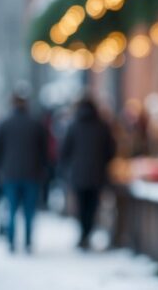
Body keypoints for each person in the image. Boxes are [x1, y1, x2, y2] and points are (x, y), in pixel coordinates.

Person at [0, 94, 48, 253]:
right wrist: (43, 168)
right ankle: (28, 241)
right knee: (29, 211)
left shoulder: (5, 124)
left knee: (11, 209)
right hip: (32, 174)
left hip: (10, 174)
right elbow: (44, 151)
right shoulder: (36, 124)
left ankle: (11, 241)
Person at [61, 98, 115, 250]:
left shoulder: (73, 125)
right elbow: (110, 150)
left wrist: (67, 168)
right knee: (92, 206)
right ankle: (87, 233)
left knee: (81, 205)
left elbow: (65, 150)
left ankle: (83, 234)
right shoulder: (102, 126)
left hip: (78, 174)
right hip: (97, 174)